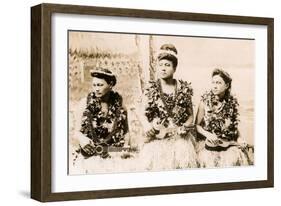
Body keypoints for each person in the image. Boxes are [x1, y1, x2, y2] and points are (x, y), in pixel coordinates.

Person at [137, 43, 197, 171]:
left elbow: (190, 115)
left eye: (167, 65)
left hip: (178, 136)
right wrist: (148, 126)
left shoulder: (183, 89)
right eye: (161, 65)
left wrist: (185, 127)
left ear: (174, 68)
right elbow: (142, 113)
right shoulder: (151, 88)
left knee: (181, 161)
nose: (163, 68)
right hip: (158, 136)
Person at [195, 68, 252, 168]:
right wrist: (208, 135)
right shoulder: (204, 102)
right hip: (209, 143)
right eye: (213, 82)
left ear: (226, 85)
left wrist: (240, 138)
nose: (215, 86)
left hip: (226, 142)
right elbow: (197, 126)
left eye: (218, 83)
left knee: (234, 158)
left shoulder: (231, 104)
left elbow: (233, 127)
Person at [78, 68, 128, 158]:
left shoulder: (120, 106)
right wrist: (82, 140)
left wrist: (122, 150)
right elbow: (76, 132)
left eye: (100, 85)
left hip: (112, 154)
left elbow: (126, 132)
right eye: (94, 85)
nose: (96, 89)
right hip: (90, 154)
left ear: (111, 85)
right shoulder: (84, 104)